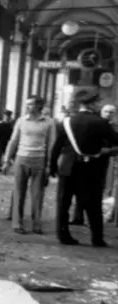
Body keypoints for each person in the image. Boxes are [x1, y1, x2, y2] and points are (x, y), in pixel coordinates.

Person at [51, 90, 118, 247]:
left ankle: (63, 236)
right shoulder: (100, 123)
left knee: (63, 203)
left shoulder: (66, 122)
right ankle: (97, 238)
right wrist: (106, 150)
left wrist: (52, 166)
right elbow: (116, 140)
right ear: (92, 104)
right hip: (90, 169)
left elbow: (57, 147)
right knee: (93, 204)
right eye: (98, 102)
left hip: (67, 167)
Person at [3, 95, 55, 235]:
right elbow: (13, 140)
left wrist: (49, 164)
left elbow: (51, 144)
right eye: (27, 104)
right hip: (22, 158)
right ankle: (16, 223)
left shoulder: (49, 122)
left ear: (39, 105)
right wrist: (7, 159)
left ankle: (37, 224)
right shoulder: (21, 120)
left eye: (31, 104)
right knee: (19, 192)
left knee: (37, 194)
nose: (28, 107)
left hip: (40, 160)